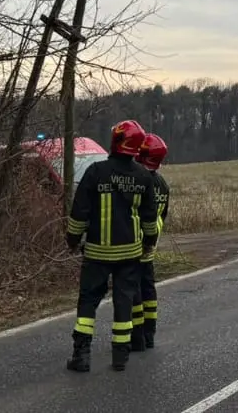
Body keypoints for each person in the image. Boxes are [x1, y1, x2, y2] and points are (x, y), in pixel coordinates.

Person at [65, 119, 159, 373]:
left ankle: (81, 355)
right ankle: (120, 356)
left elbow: (79, 213)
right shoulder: (143, 176)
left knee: (88, 302)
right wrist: (149, 243)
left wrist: (72, 240)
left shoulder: (96, 172)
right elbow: (150, 219)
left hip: (96, 253)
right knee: (124, 301)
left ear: (116, 141)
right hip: (130, 254)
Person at [130, 133, 171, 351]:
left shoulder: (138, 180)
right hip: (151, 245)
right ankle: (150, 333)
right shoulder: (162, 184)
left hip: (133, 244)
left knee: (133, 290)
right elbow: (162, 216)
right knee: (149, 289)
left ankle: (137, 336)